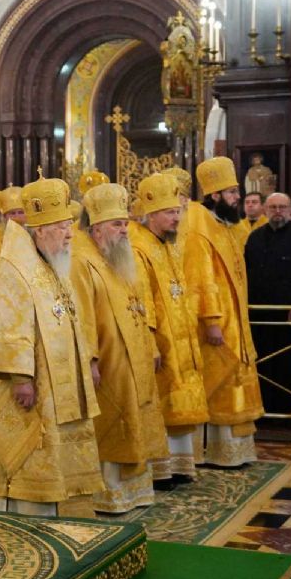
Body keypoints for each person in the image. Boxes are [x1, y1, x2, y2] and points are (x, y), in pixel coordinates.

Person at [0, 177, 103, 516]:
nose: (70, 234)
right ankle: (26, 512)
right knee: (27, 452)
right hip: (30, 382)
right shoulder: (13, 268)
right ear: (40, 230)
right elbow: (5, 324)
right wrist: (20, 378)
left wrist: (86, 362)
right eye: (61, 227)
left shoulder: (53, 264)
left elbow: (71, 319)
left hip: (59, 383)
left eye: (69, 225)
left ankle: (62, 507)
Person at [73, 182, 169, 512]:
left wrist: (151, 346)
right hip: (108, 359)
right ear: (97, 228)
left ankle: (133, 491)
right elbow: (82, 316)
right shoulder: (80, 260)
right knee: (112, 420)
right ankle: (108, 493)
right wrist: (89, 360)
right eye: (117, 224)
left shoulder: (119, 257)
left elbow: (139, 305)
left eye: (126, 223)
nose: (125, 230)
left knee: (135, 417)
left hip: (133, 355)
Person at [181, 157, 262, 466]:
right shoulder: (199, 225)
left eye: (236, 191)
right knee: (218, 382)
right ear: (214, 194)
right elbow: (200, 279)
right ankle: (214, 450)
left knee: (236, 378)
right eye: (231, 192)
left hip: (236, 319)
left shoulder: (226, 224)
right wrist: (212, 320)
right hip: (217, 323)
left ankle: (235, 450)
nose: (237, 197)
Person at [132, 173, 207, 482]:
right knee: (161, 401)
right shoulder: (138, 246)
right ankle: (161, 469)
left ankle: (179, 465)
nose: (177, 217)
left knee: (179, 399)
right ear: (151, 214)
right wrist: (150, 342)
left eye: (178, 211)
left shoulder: (167, 243)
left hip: (179, 336)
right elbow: (142, 300)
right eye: (169, 212)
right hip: (160, 340)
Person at [245, 193, 291, 415]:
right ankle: (264, 409)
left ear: (289, 210)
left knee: (287, 363)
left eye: (282, 207)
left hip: (288, 313)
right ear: (265, 210)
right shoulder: (255, 237)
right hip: (260, 312)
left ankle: (287, 411)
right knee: (263, 361)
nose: (278, 211)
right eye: (273, 207)